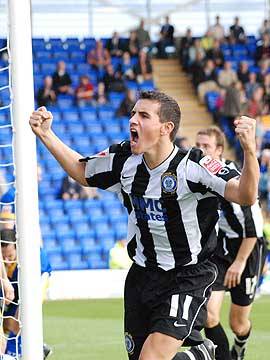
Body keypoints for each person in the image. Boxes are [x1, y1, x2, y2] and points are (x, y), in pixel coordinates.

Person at [29, 90, 259, 360]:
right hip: (142, 277)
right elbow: (82, 172)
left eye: (143, 115)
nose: (133, 121)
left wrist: (249, 150)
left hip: (187, 275)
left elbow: (245, 195)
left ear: (166, 128)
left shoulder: (195, 165)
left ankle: (201, 355)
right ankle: (198, 355)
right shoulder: (124, 160)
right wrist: (46, 134)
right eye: (133, 114)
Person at [195, 126, 266, 360]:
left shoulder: (233, 178)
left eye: (206, 146)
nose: (200, 150)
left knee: (237, 323)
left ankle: (240, 345)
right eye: (198, 145)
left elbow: (254, 228)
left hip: (248, 248)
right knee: (209, 317)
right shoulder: (198, 174)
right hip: (222, 249)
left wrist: (240, 262)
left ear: (219, 150)